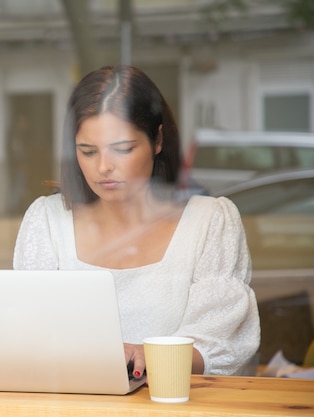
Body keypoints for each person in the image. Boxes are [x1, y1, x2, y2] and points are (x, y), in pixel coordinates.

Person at [13, 65, 260, 376]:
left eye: (123, 149)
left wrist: (148, 357)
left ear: (157, 140)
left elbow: (220, 346)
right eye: (87, 151)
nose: (104, 167)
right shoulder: (47, 222)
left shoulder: (210, 222)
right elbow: (29, 337)